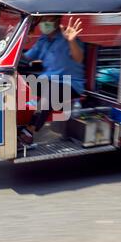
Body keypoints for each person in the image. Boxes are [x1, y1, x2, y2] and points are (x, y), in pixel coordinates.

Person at [19, 16, 85, 145]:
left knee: (51, 90)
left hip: (69, 84)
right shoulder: (43, 40)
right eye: (42, 21)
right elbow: (26, 58)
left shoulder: (69, 38)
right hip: (47, 81)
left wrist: (71, 41)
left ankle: (30, 130)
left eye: (47, 20)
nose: (44, 24)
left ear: (56, 21)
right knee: (18, 84)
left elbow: (79, 58)